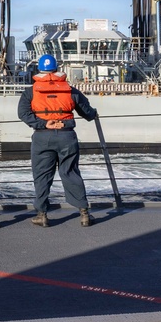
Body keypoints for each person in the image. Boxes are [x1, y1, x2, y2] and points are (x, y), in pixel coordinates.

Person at [18, 54, 98, 228]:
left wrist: (43, 123)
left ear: (39, 69)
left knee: (42, 176)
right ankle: (84, 213)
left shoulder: (30, 91)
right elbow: (88, 113)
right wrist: (93, 112)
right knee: (70, 172)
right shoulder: (70, 90)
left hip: (42, 136)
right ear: (57, 69)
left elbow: (23, 114)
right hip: (67, 136)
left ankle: (42, 215)